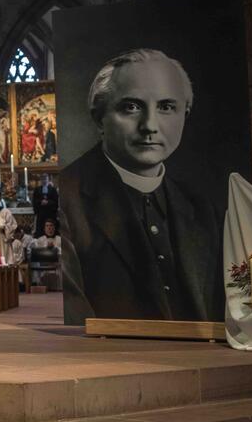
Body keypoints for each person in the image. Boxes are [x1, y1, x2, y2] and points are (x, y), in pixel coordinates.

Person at [60, 49, 223, 324]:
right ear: (99, 118)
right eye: (131, 107)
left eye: (166, 107)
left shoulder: (202, 207)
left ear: (185, 114)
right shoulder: (66, 199)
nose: (149, 126)